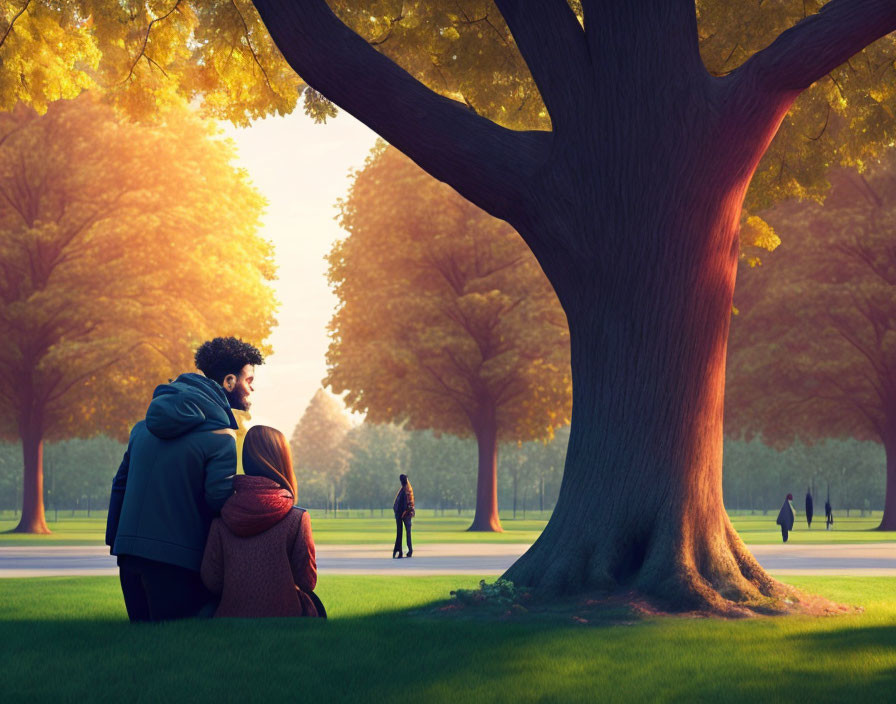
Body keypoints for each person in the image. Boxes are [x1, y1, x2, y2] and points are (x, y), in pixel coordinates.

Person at [105, 337, 263, 622]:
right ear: (229, 382)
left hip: (128, 556)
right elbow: (218, 501)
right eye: (248, 380)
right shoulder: (220, 437)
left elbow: (120, 485)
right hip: (176, 562)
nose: (252, 387)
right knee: (178, 648)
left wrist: (117, 543)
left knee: (142, 646)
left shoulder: (142, 429)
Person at [201, 426, 321, 618]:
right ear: (283, 462)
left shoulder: (222, 518)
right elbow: (307, 582)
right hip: (287, 617)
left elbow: (212, 581)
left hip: (230, 619)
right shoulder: (297, 519)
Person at [392, 473, 415, 558]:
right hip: (403, 514)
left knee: (405, 533)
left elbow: (406, 505)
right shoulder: (406, 489)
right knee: (406, 533)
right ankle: (407, 551)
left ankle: (408, 551)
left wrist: (402, 514)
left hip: (405, 515)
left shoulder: (406, 490)